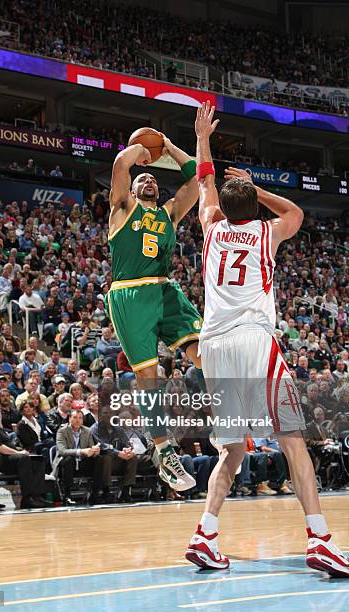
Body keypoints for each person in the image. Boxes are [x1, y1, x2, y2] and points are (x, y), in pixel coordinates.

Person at [185, 100, 349, 576]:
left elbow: (205, 182)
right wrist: (259, 187)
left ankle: (206, 533)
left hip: (213, 348)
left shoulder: (211, 227)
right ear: (254, 206)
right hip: (254, 343)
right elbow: (295, 210)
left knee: (233, 448)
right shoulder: (268, 232)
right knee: (293, 440)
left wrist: (201, 139)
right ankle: (319, 538)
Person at [107, 129, 205, 491]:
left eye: (152, 179)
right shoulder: (122, 209)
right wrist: (141, 151)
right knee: (150, 381)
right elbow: (121, 163)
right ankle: (163, 451)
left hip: (165, 290)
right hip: (130, 295)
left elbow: (196, 180)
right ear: (131, 190)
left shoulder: (169, 214)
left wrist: (167, 145)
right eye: (142, 178)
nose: (148, 180)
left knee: (205, 354)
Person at [0, 404, 50, 509]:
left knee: (38, 459)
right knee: (23, 458)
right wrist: (18, 453)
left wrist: (21, 450)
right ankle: (26, 498)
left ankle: (37, 496)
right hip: (2, 461)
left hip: (13, 457)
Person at [54, 410, 104, 505]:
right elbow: (62, 451)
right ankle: (67, 495)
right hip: (67, 463)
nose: (78, 420)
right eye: (75, 417)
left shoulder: (87, 431)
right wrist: (80, 451)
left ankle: (95, 493)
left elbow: (91, 447)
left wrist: (95, 451)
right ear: (69, 419)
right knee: (69, 460)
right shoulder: (62, 431)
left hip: (82, 463)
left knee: (99, 459)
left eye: (80, 418)